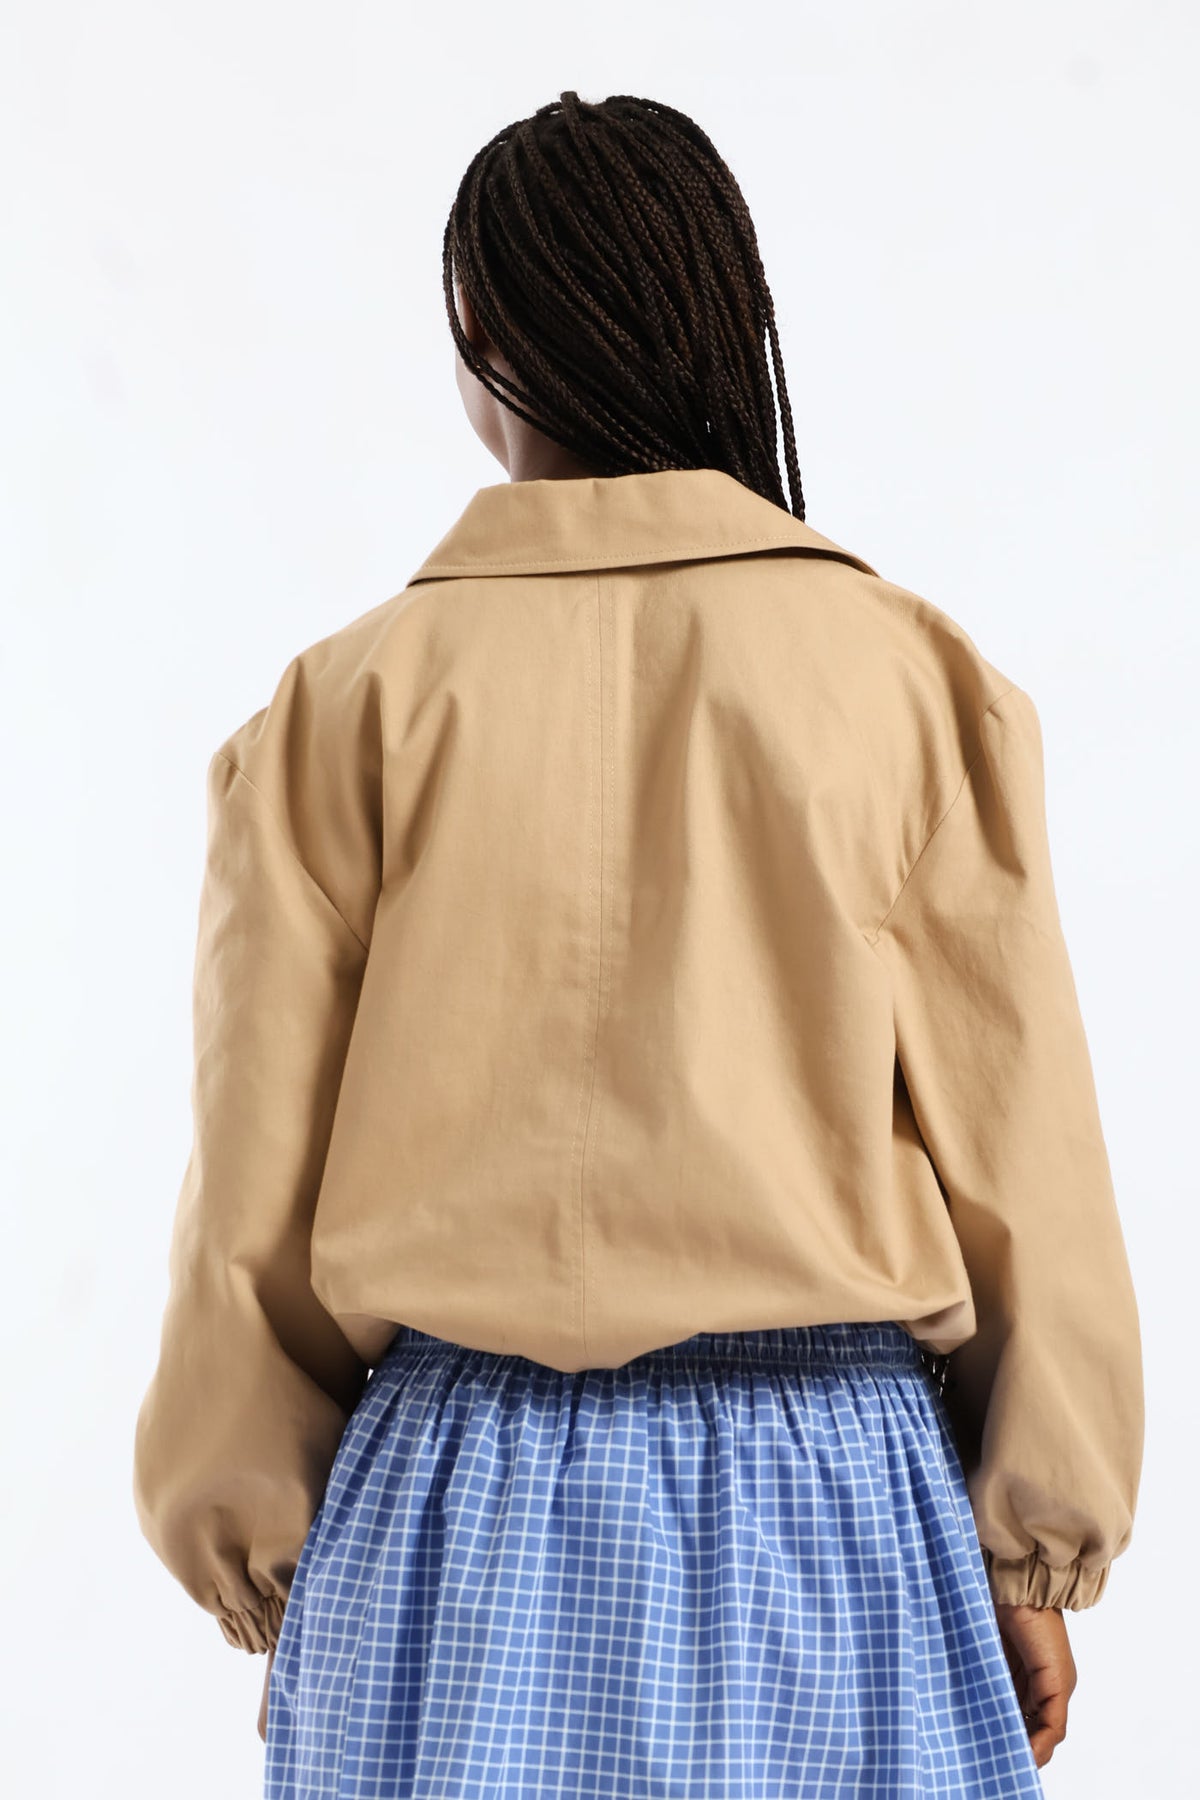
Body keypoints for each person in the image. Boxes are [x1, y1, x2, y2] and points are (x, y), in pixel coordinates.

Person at [132, 90, 1143, 1797]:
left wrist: (292, 1579)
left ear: (477, 334)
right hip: (833, 1507)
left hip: (452, 1511)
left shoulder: (340, 712)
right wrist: (1032, 1555)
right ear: (726, 318)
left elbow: (251, 1215)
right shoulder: (909, 683)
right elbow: (1022, 1153)